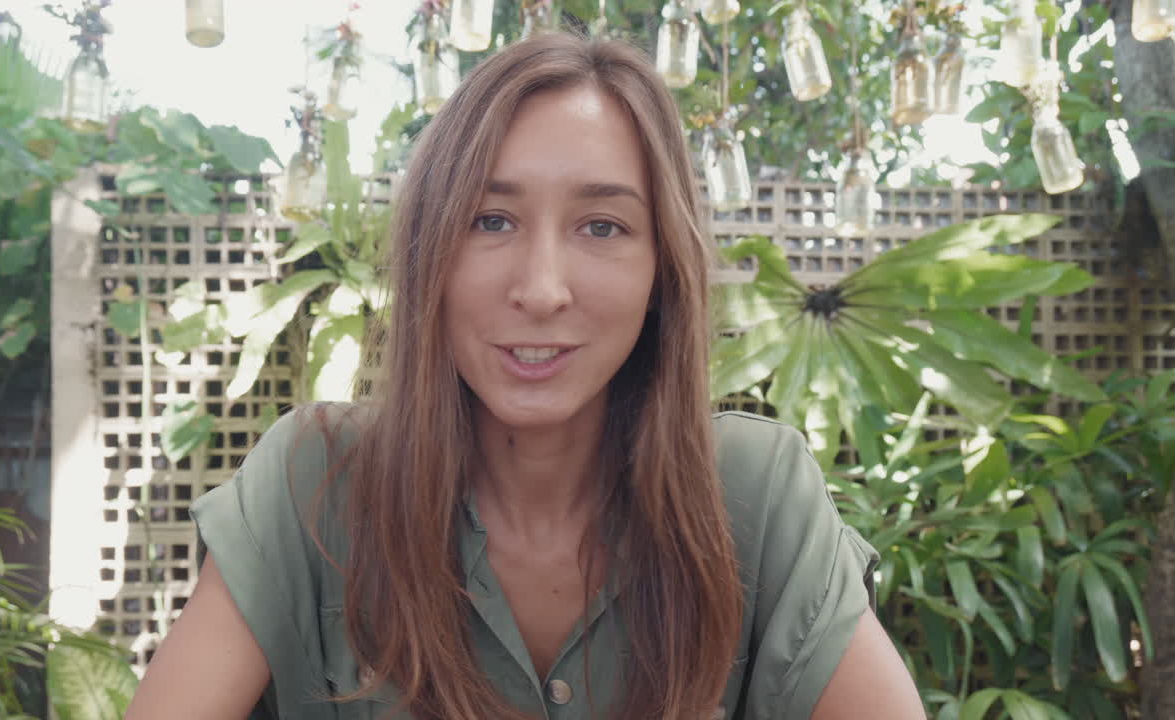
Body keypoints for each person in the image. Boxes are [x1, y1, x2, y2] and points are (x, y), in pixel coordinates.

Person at [125, 31, 926, 720]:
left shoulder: (756, 497)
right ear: (428, 252)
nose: (542, 289)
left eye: (602, 226)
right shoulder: (313, 483)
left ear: (661, 274)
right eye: (491, 220)